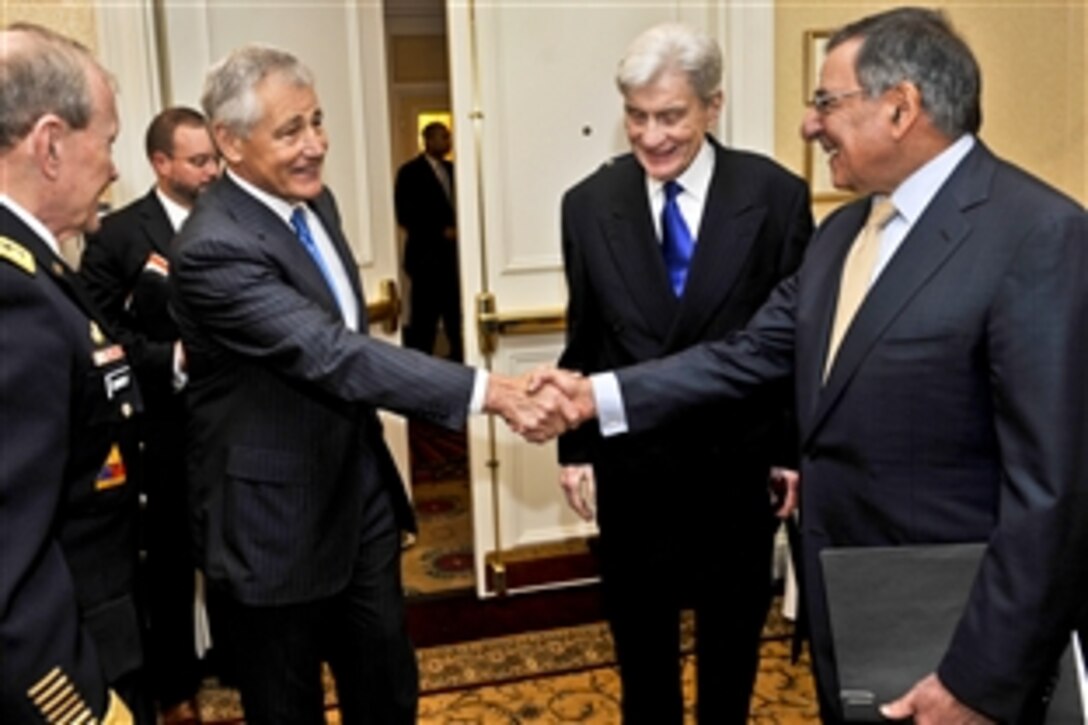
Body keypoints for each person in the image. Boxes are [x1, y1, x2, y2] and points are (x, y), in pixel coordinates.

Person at [533, 8, 1087, 724]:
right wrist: (589, 400)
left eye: (826, 102)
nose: (808, 123)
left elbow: (1055, 494)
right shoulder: (843, 235)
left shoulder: (1038, 234)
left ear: (901, 108)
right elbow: (746, 355)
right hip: (848, 607)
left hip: (955, 633)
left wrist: (981, 678)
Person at [169, 44, 566, 724]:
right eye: (290, 130)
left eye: (317, 121)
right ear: (229, 143)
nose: (315, 144)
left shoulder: (314, 208)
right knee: (288, 708)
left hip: (360, 505)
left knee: (388, 693)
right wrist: (491, 392)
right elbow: (333, 353)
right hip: (273, 529)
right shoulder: (213, 246)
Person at [554, 22, 813, 724]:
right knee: (643, 664)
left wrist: (791, 453)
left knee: (730, 661)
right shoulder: (587, 205)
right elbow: (586, 336)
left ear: (712, 105)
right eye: (636, 115)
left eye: (670, 115)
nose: (651, 135)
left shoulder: (776, 196)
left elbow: (795, 345)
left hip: (736, 465)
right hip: (634, 469)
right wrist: (575, 449)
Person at [0, 22, 145, 724]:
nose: (116, 167)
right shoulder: (12, 292)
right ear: (51, 143)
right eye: (109, 141)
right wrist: (82, 710)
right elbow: (9, 564)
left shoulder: (37, 266)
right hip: (60, 676)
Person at [79, 106, 219, 724]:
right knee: (167, 566)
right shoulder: (117, 237)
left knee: (236, 553)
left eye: (215, 157)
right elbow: (102, 340)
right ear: (162, 164)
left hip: (234, 424)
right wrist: (176, 358)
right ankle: (176, 687)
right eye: (199, 161)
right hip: (162, 428)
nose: (214, 170)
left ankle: (240, 660)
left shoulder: (238, 217)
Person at [394, 121, 462, 361]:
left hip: (455, 260)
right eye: (442, 137)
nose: (447, 142)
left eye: (448, 137)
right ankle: (420, 366)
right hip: (426, 260)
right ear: (428, 140)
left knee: (456, 317)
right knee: (425, 319)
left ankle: (459, 361)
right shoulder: (410, 173)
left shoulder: (455, 170)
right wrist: (441, 231)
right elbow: (405, 214)